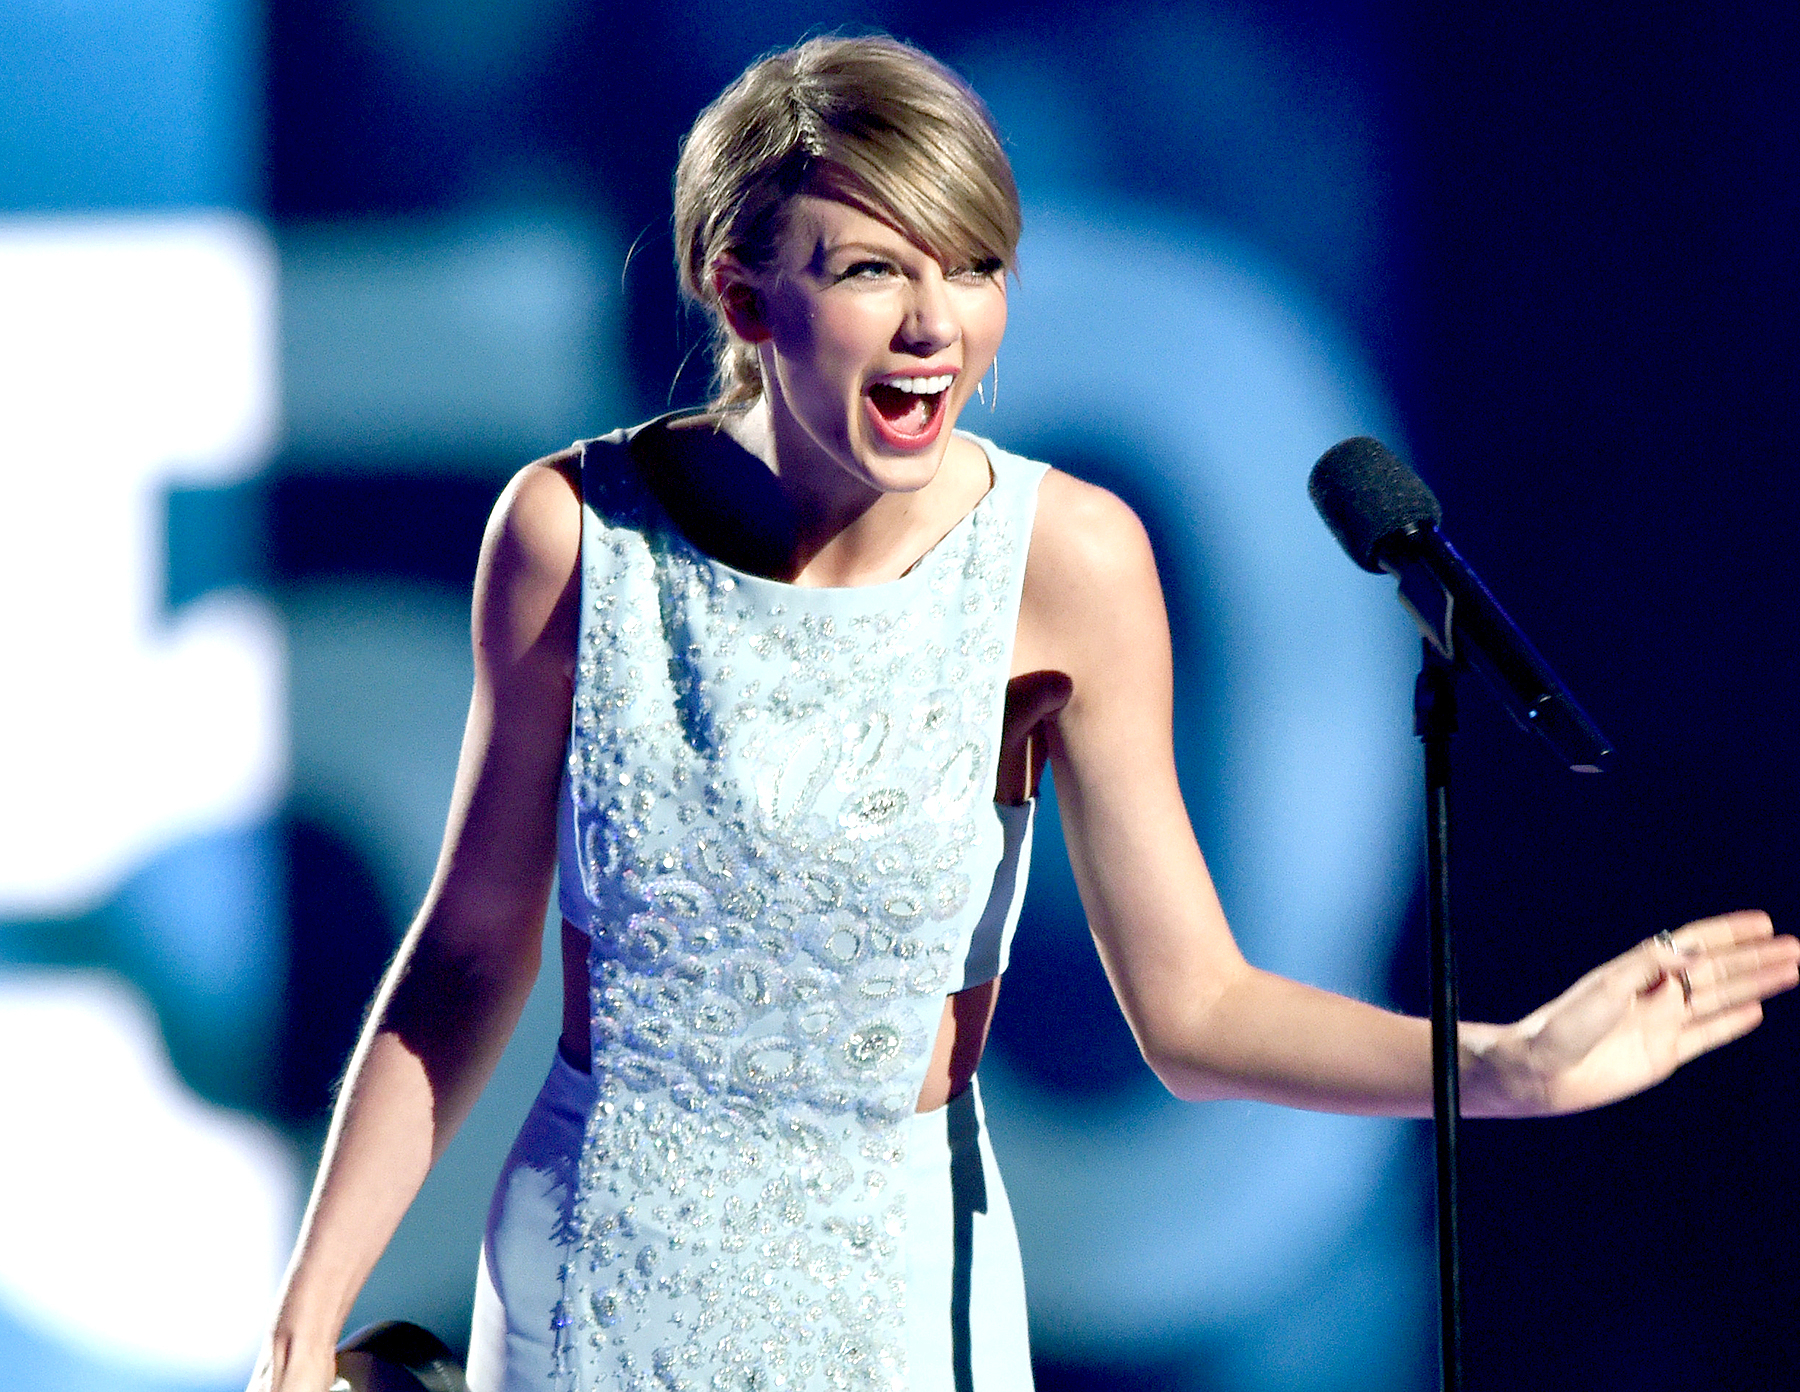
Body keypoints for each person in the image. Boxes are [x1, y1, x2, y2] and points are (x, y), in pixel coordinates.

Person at [248, 34, 1799, 1392]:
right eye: (871, 271)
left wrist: (1510, 1063)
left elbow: (1192, 1011)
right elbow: (461, 958)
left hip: (894, 1300)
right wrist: (303, 1329)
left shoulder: (1068, 562)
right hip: (602, 1287)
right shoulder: (571, 534)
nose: (938, 325)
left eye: (973, 268)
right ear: (741, 289)